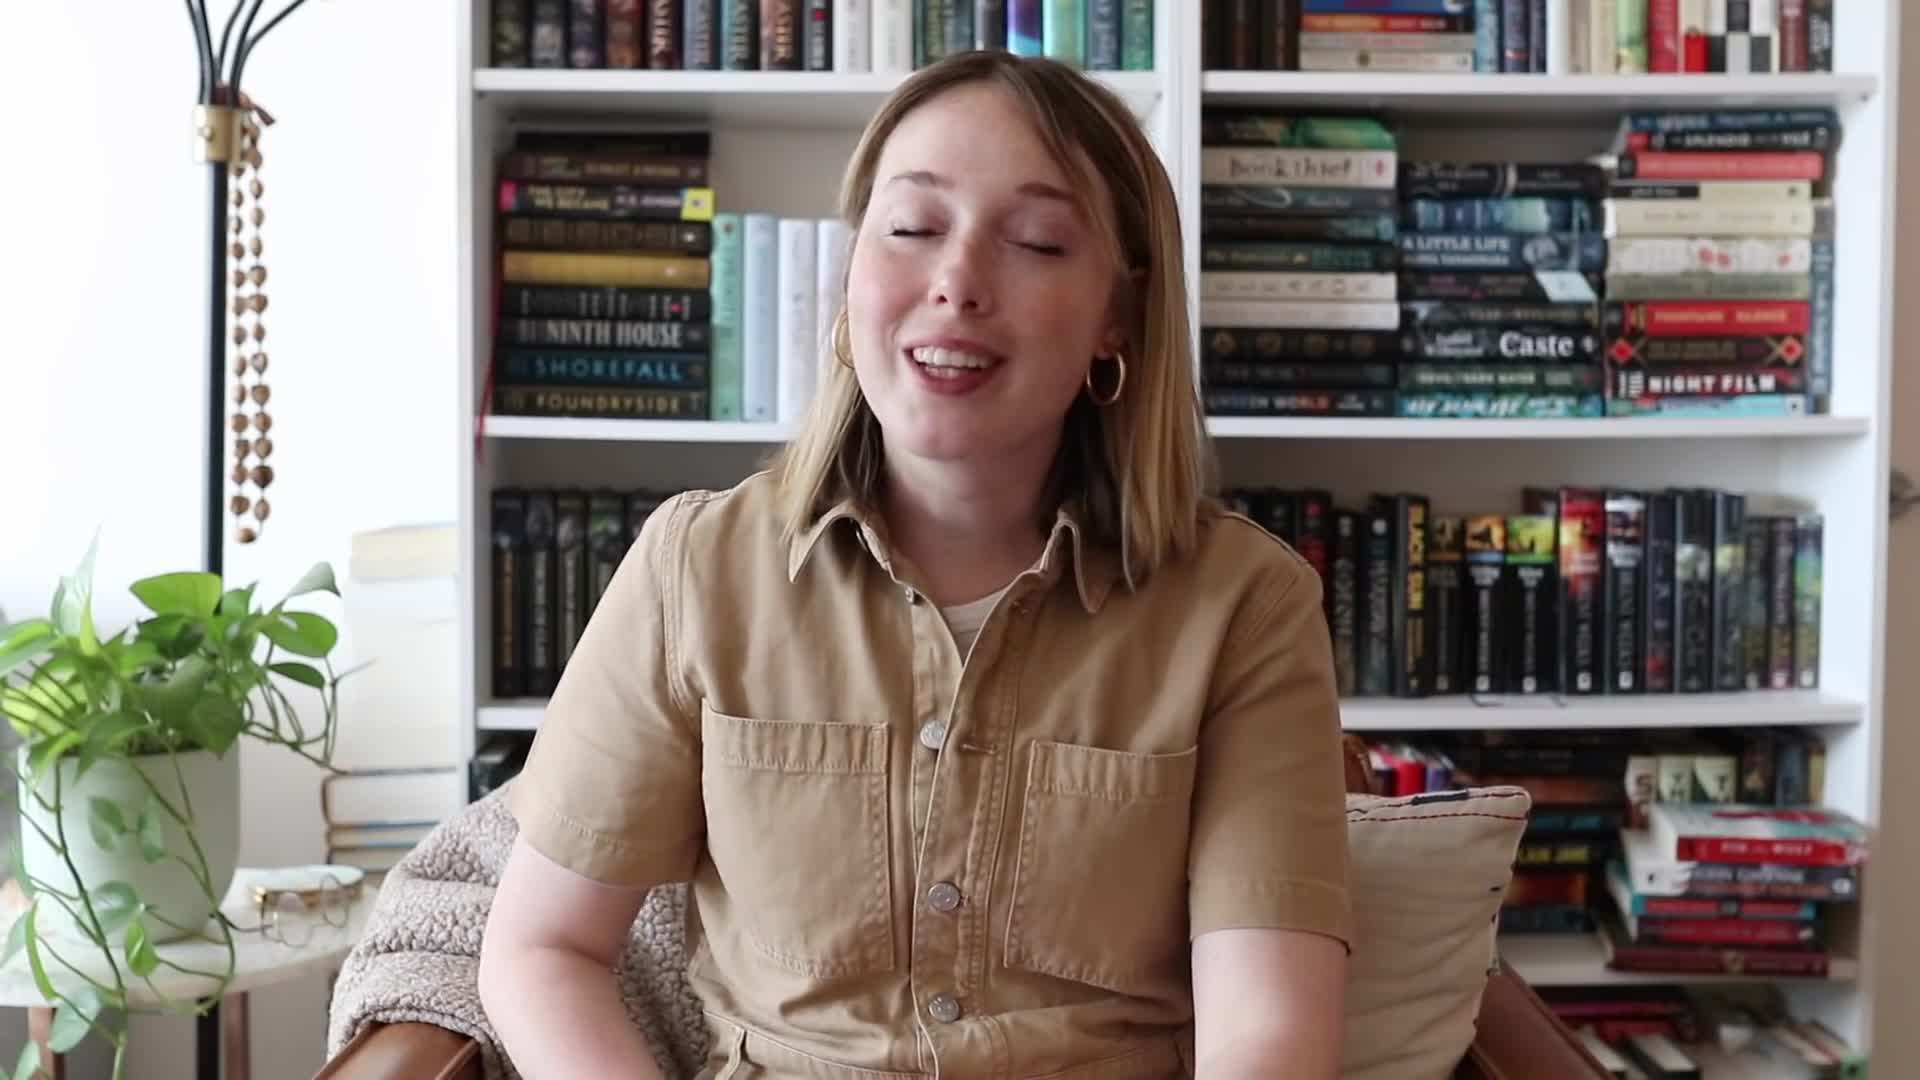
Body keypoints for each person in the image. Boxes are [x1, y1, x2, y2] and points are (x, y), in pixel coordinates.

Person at [478, 50, 1353, 1080]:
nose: (958, 284)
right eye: (912, 228)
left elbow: (1268, 1038)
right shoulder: (697, 569)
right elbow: (542, 950)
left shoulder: (1244, 606)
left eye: (1036, 241)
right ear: (851, 276)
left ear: (1119, 313)